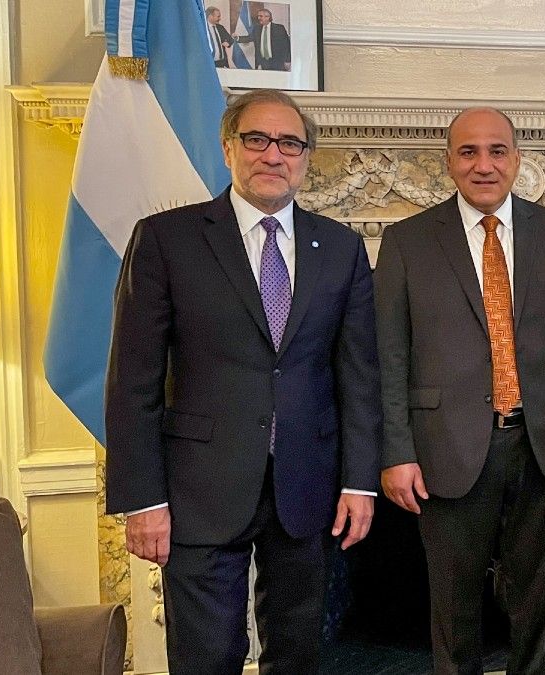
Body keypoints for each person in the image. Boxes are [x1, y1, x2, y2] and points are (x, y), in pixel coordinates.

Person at [104, 89, 382, 674]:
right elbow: (134, 382)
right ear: (229, 148)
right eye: (257, 139)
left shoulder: (341, 248)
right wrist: (142, 500)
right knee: (207, 657)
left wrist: (361, 483)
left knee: (299, 655)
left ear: (306, 158)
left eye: (289, 143)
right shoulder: (166, 239)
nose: (273, 155)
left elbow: (358, 376)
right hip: (199, 491)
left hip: (308, 489)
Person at [375, 107, 545, 674]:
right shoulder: (406, 241)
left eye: (497, 150)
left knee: (538, 605)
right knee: (454, 610)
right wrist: (396, 452)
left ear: (518, 159)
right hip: (444, 447)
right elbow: (390, 355)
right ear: (448, 162)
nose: (484, 164)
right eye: (468, 152)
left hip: (542, 446)